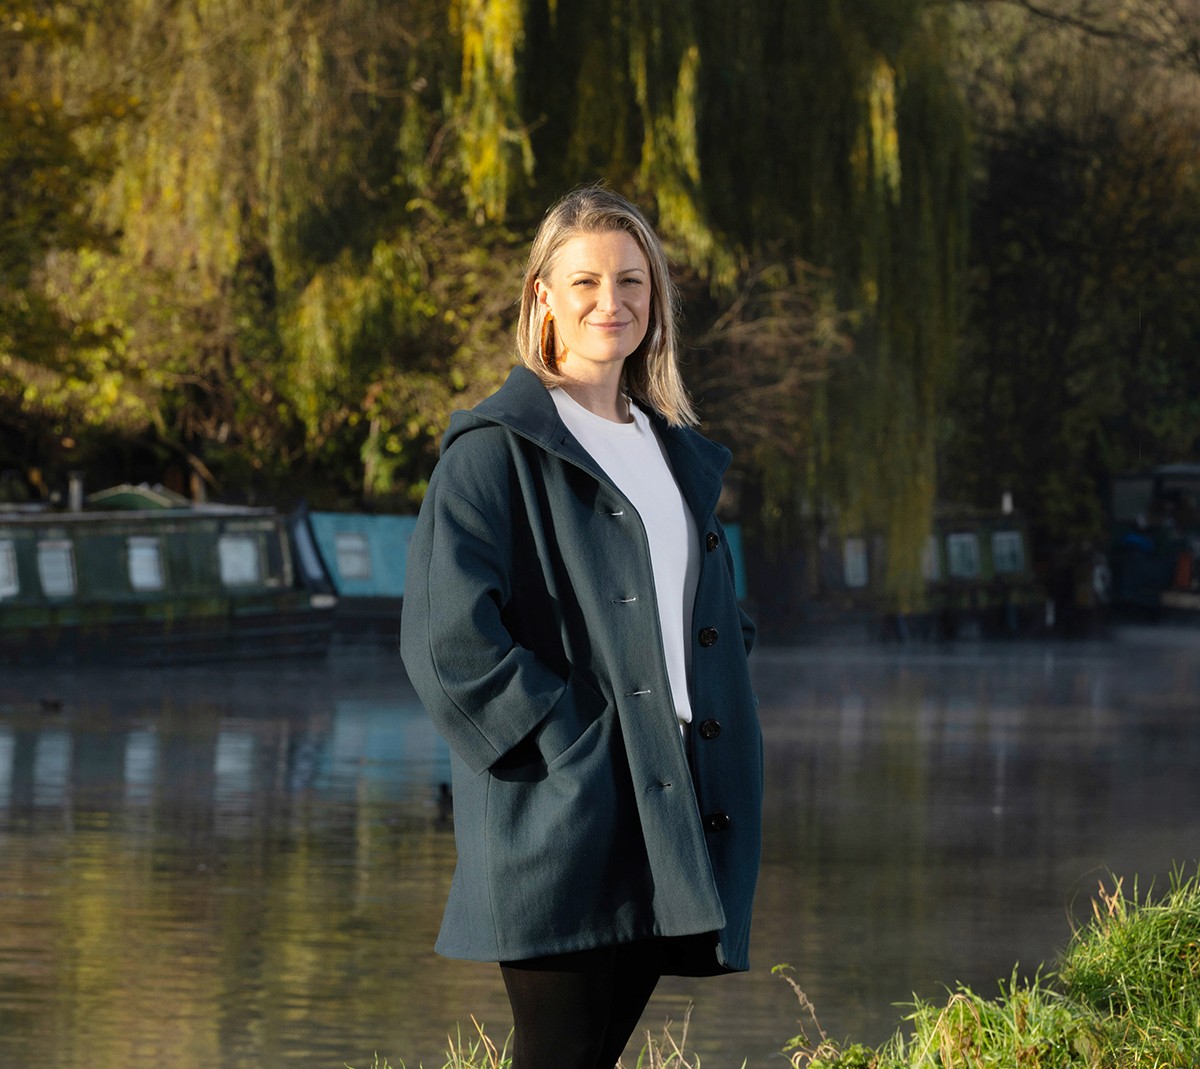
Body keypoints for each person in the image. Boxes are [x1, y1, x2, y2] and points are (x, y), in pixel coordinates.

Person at [400, 186, 762, 1069]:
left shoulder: (673, 449)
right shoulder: (495, 449)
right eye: (588, 280)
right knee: (558, 1054)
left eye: (633, 281)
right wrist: (566, 743)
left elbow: (711, 617)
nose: (613, 302)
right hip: (563, 805)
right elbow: (447, 640)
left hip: (677, 798)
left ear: (656, 298)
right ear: (543, 297)